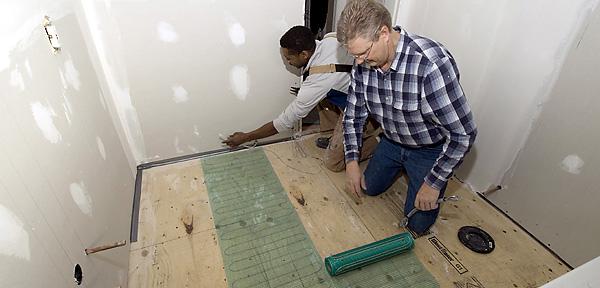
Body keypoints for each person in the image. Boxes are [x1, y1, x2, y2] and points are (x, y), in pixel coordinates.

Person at [337, 0, 477, 235]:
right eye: (355, 56)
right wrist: (351, 161)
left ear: (383, 33)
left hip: (428, 149)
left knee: (416, 225)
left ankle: (422, 180)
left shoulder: (431, 65)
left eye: (363, 54)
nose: (359, 62)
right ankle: (397, 166)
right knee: (368, 188)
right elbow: (353, 115)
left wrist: (433, 183)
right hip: (391, 140)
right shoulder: (363, 61)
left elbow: (463, 134)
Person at [224, 25, 379, 172]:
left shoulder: (317, 82)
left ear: (304, 54)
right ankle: (336, 135)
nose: (288, 63)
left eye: (289, 58)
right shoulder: (330, 39)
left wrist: (246, 137)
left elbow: (283, 122)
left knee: (333, 163)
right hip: (354, 89)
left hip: (367, 105)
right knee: (317, 96)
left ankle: (378, 140)